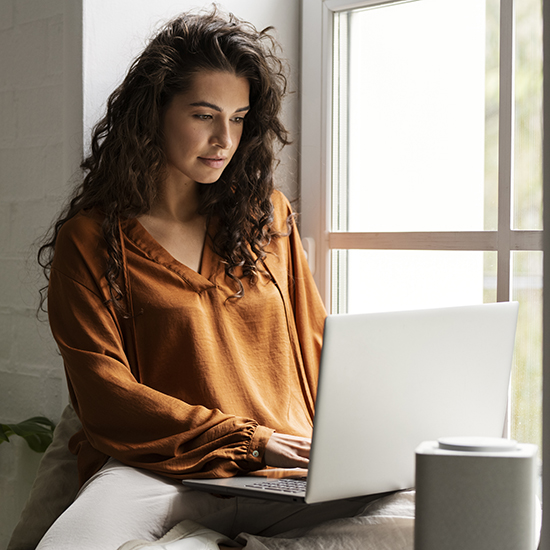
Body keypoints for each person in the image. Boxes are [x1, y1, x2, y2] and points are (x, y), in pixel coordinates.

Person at [33, 8, 400, 550]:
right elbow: (106, 398)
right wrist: (250, 440)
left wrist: (353, 442)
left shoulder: (267, 216)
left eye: (239, 117)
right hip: (160, 470)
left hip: (283, 471)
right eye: (204, 115)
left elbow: (316, 344)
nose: (224, 138)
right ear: (153, 113)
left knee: (441, 509)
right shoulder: (91, 239)